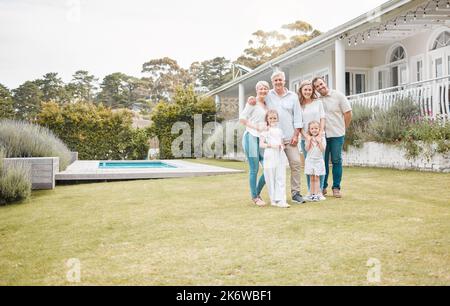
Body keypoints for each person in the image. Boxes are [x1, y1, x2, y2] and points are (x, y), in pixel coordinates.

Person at [248, 71, 305, 204]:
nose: (278, 82)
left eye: (280, 80)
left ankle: (296, 193)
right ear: (272, 82)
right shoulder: (268, 95)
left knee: (296, 163)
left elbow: (298, 117)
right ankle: (257, 194)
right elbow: (259, 99)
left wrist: (296, 135)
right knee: (269, 167)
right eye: (275, 81)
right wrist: (251, 99)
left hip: (290, 138)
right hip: (272, 140)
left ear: (284, 80)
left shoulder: (293, 96)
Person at [312, 77, 352, 198]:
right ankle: (323, 187)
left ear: (325, 82)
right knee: (322, 162)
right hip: (322, 135)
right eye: (317, 86)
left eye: (321, 84)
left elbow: (348, 113)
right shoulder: (317, 100)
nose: (320, 87)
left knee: (336, 160)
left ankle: (336, 188)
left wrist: (343, 128)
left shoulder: (338, 95)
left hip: (337, 134)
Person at [239, 81, 270, 206]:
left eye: (265, 89)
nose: (263, 91)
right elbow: (242, 119)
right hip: (251, 136)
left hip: (262, 138)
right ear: (257, 90)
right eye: (260, 88)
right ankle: (255, 197)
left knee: (269, 167)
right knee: (254, 168)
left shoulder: (267, 104)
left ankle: (256, 193)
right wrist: (256, 127)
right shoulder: (252, 102)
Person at [297, 80, 326, 201]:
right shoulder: (299, 105)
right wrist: (307, 136)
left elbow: (322, 118)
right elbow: (299, 123)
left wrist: (319, 134)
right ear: (301, 91)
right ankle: (311, 192)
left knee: (320, 164)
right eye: (305, 90)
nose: (308, 92)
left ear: (312, 91)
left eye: (309, 89)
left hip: (319, 137)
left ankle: (319, 192)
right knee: (309, 165)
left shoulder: (318, 103)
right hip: (306, 138)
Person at [260, 110, 289, 208]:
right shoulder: (265, 131)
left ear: (277, 119)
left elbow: (282, 142)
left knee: (280, 176)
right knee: (270, 177)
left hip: (279, 155)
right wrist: (271, 145)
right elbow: (261, 144)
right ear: (267, 119)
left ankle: (281, 199)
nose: (273, 120)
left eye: (274, 118)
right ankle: (273, 199)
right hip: (269, 155)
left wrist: (282, 146)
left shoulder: (280, 131)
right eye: (270, 118)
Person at [304, 121, 326, 202]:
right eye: (312, 129)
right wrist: (309, 140)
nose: (314, 130)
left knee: (317, 178)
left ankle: (317, 194)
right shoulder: (308, 138)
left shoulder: (322, 138)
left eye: (316, 128)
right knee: (312, 178)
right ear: (309, 130)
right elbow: (306, 149)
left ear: (319, 129)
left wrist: (319, 141)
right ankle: (312, 194)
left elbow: (322, 149)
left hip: (318, 161)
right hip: (310, 160)